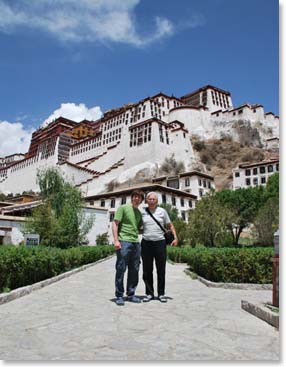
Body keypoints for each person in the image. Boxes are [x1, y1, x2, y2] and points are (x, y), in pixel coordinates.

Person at [141, 192, 178, 303]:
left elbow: (170, 225)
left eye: (154, 199)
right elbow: (137, 225)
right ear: (146, 200)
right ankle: (149, 294)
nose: (152, 201)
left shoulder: (162, 211)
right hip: (146, 243)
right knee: (147, 270)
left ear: (157, 201)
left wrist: (175, 237)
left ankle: (161, 293)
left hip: (160, 243)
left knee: (161, 270)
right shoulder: (142, 212)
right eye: (150, 199)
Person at [112, 189, 144, 306]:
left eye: (139, 197)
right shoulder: (123, 208)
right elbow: (115, 223)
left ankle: (131, 294)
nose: (136, 198)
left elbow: (139, 229)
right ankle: (119, 295)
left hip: (136, 243)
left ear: (141, 200)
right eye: (135, 196)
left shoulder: (139, 214)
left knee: (135, 269)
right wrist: (116, 240)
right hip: (124, 241)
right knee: (121, 268)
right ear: (132, 197)